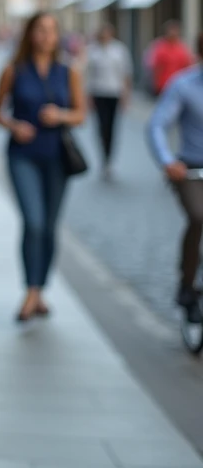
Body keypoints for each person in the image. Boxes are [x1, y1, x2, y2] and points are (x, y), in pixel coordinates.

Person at [0, 12, 87, 322]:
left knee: (49, 226)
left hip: (57, 157)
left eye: (52, 30)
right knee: (33, 222)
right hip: (22, 155)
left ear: (58, 36)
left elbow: (80, 114)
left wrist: (60, 115)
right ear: (31, 34)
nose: (47, 36)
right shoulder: (13, 70)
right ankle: (30, 291)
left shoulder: (67, 72)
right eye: (41, 30)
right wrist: (14, 125)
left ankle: (41, 289)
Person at [145, 33, 203, 326]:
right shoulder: (183, 85)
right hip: (191, 168)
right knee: (198, 217)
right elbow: (157, 125)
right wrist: (168, 161)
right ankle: (187, 285)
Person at [85, 24, 132, 181]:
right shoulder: (93, 51)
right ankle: (104, 157)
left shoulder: (119, 50)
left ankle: (110, 159)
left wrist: (125, 96)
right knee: (101, 126)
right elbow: (89, 75)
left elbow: (125, 73)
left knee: (111, 127)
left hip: (114, 93)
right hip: (99, 93)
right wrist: (88, 97)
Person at [147, 20, 193, 97]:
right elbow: (154, 67)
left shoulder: (182, 47)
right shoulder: (159, 47)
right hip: (163, 85)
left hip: (180, 86)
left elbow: (188, 66)